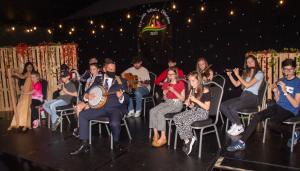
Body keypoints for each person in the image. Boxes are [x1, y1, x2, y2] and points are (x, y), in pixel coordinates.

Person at [227, 59, 300, 152]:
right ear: (282, 70)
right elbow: (278, 101)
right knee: (257, 116)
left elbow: (296, 104)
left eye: (290, 69)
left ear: (295, 69)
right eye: (286, 69)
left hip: (291, 110)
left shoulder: (298, 82)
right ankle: (241, 142)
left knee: (272, 123)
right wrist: (276, 92)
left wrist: (285, 92)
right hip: (279, 106)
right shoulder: (282, 80)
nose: (288, 72)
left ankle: (293, 134)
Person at [70, 60, 129, 155]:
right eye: (110, 69)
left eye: (114, 69)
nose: (112, 71)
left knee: (114, 123)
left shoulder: (121, 81)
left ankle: (116, 143)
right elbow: (87, 92)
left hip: (115, 108)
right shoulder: (98, 80)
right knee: (83, 115)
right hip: (99, 108)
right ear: (105, 69)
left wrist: (121, 97)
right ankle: (85, 144)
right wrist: (87, 96)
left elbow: (127, 98)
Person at [221, 55, 264, 136]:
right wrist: (230, 75)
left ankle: (240, 126)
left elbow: (247, 85)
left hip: (253, 98)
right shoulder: (246, 73)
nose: (250, 63)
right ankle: (235, 123)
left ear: (255, 62)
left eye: (251, 61)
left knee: (232, 107)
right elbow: (236, 84)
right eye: (248, 62)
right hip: (244, 96)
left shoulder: (259, 73)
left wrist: (237, 75)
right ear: (246, 64)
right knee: (223, 105)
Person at [173, 71, 211, 155]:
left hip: (203, 113)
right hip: (195, 110)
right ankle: (187, 139)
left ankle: (189, 139)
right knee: (176, 117)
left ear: (199, 80)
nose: (191, 83)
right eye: (190, 81)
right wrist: (189, 104)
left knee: (186, 120)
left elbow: (207, 107)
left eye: (193, 81)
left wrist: (195, 100)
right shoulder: (193, 90)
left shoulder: (205, 90)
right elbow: (192, 106)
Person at [150, 67, 185, 147]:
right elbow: (165, 98)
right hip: (168, 102)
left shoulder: (180, 83)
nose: (169, 76)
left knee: (160, 112)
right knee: (152, 111)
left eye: (171, 74)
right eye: (168, 74)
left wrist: (174, 91)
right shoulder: (166, 83)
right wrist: (165, 94)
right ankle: (156, 134)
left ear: (176, 74)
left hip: (177, 104)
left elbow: (182, 99)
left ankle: (163, 137)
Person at [73, 63, 103, 137]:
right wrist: (87, 87)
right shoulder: (89, 79)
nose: (92, 71)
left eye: (94, 69)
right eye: (91, 69)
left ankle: (81, 129)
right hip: (88, 99)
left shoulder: (101, 78)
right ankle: (81, 128)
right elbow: (86, 91)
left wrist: (89, 88)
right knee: (77, 107)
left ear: (98, 70)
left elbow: (100, 90)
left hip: (97, 100)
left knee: (85, 108)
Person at [8, 62, 36, 131]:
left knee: (27, 107)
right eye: (28, 67)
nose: (30, 68)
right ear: (26, 68)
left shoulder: (33, 74)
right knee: (20, 106)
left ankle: (26, 124)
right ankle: (16, 123)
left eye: (31, 67)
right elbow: (22, 77)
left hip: (30, 93)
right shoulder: (27, 74)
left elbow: (22, 76)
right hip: (25, 93)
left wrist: (15, 73)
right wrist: (22, 87)